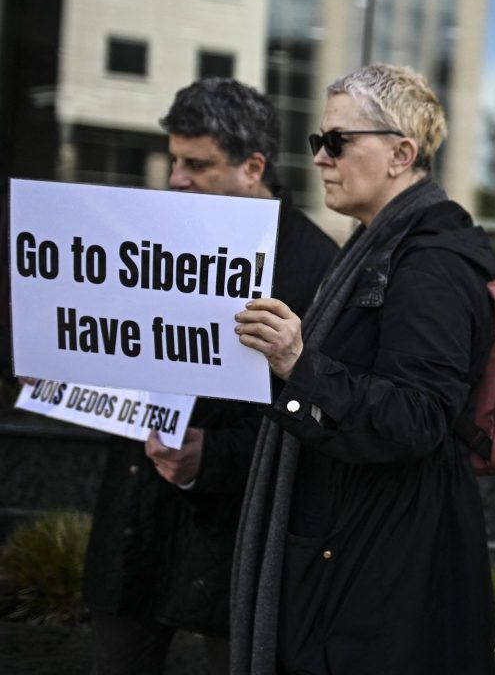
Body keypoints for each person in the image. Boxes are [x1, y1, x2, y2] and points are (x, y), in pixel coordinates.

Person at [229, 64, 495, 675]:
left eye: (338, 141)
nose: (321, 158)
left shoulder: (430, 262)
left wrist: (300, 366)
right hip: (365, 551)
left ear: (401, 153)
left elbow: (418, 415)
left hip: (385, 568)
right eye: (317, 142)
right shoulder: (378, 246)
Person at [83, 78, 337, 675]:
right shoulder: (147, 235)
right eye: (174, 160)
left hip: (239, 540)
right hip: (137, 524)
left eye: (197, 164)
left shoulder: (316, 268)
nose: (177, 179)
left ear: (253, 166)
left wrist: (214, 457)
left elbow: (319, 412)